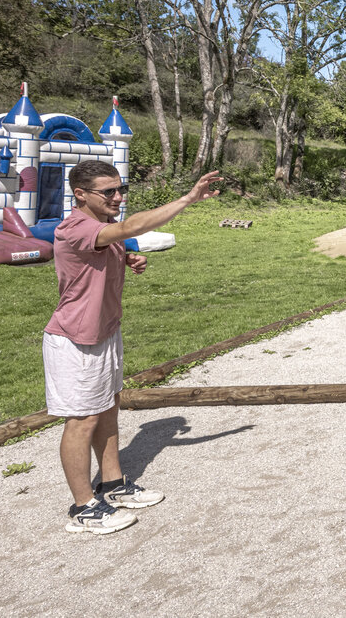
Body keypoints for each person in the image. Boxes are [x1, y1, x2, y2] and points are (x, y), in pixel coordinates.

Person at [44, 159, 222, 534]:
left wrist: (129, 257)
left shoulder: (105, 229)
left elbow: (109, 249)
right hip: (76, 340)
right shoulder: (74, 227)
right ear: (80, 194)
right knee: (82, 420)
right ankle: (83, 507)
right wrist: (189, 198)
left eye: (120, 189)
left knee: (108, 409)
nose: (118, 197)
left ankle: (113, 484)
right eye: (108, 191)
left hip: (106, 332)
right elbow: (128, 227)